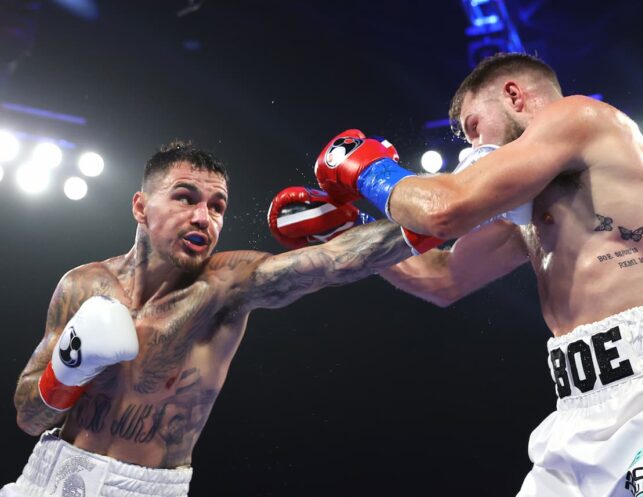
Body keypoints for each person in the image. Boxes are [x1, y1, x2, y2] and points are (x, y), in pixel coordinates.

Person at [310, 53, 643, 495]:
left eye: (474, 126)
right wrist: (344, 230)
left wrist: (368, 170)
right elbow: (443, 278)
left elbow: (445, 209)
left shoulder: (580, 115)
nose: (472, 148)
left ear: (513, 95)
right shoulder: (529, 202)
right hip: (577, 409)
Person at [4, 141, 412, 497]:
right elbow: (28, 418)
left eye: (217, 207)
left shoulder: (225, 286)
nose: (205, 217)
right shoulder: (82, 284)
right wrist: (66, 373)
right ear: (141, 207)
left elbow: (332, 262)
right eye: (186, 198)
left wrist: (448, 207)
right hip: (46, 479)